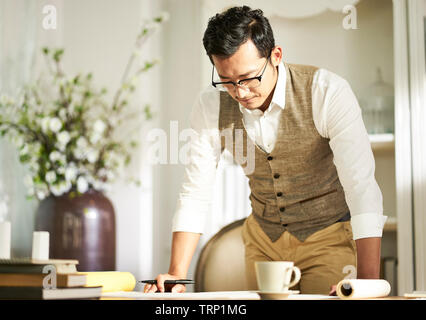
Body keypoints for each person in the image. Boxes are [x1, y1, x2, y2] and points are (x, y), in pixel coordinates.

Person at [144, 5, 386, 294]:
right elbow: (195, 191)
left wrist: (369, 283)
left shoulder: (326, 92)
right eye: (227, 81)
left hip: (328, 238)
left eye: (248, 78)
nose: (240, 92)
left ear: (275, 56)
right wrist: (175, 275)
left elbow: (360, 187)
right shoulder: (211, 105)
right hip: (263, 242)